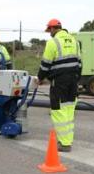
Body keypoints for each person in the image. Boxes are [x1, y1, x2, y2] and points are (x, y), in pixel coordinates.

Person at [35, 19, 82, 152]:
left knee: (58, 112)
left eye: (49, 30)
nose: (49, 33)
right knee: (69, 111)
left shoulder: (53, 42)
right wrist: (76, 80)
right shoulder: (75, 41)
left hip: (59, 83)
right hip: (73, 81)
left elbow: (46, 64)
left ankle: (64, 144)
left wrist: (39, 78)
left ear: (53, 29)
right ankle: (68, 140)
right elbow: (79, 63)